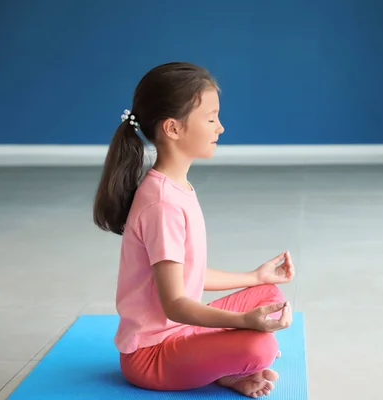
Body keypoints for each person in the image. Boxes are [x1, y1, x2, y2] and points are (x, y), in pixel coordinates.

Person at [92, 61, 294, 399]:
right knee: (259, 348)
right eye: (212, 118)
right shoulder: (162, 204)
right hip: (150, 355)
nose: (221, 128)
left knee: (270, 296)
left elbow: (190, 274)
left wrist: (255, 277)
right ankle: (225, 367)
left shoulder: (176, 187)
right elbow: (175, 304)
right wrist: (246, 323)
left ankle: (220, 366)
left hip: (182, 329)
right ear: (173, 128)